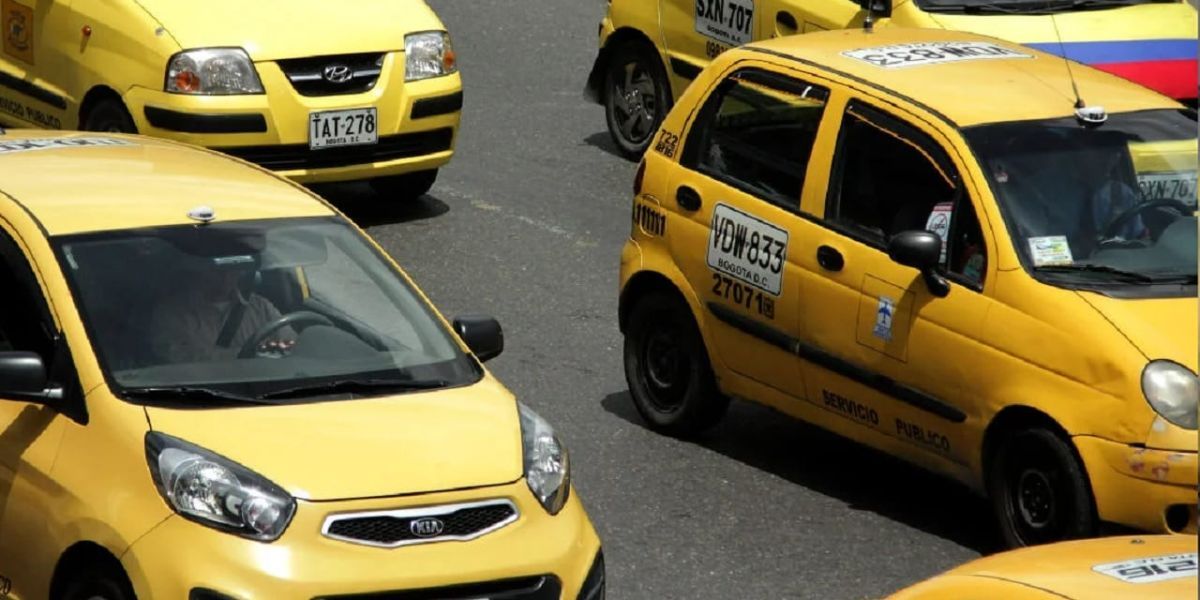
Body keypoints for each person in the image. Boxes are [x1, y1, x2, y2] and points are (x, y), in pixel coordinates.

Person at [148, 261, 295, 363]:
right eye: (216, 270)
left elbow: (293, 346)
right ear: (199, 271)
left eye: (231, 270)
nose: (225, 277)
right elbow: (178, 360)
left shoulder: (260, 307)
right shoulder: (172, 314)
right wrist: (249, 354)